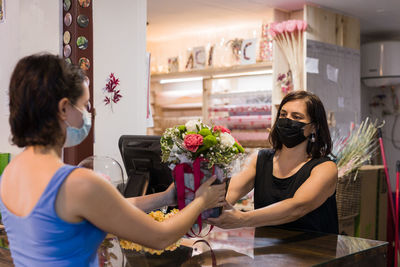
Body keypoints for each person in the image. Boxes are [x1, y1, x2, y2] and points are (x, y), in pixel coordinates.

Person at [0, 53, 226, 266]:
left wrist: (164, 198)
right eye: (85, 106)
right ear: (63, 108)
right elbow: (160, 237)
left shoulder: (10, 173)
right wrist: (201, 202)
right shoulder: (78, 184)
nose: (89, 114)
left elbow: (101, 209)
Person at [208, 91, 338, 234]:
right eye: (283, 115)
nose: (287, 120)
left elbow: (297, 207)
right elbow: (230, 194)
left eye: (296, 117)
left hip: (316, 253)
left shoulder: (325, 168)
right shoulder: (259, 159)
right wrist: (206, 207)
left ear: (314, 127)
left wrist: (242, 218)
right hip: (266, 254)